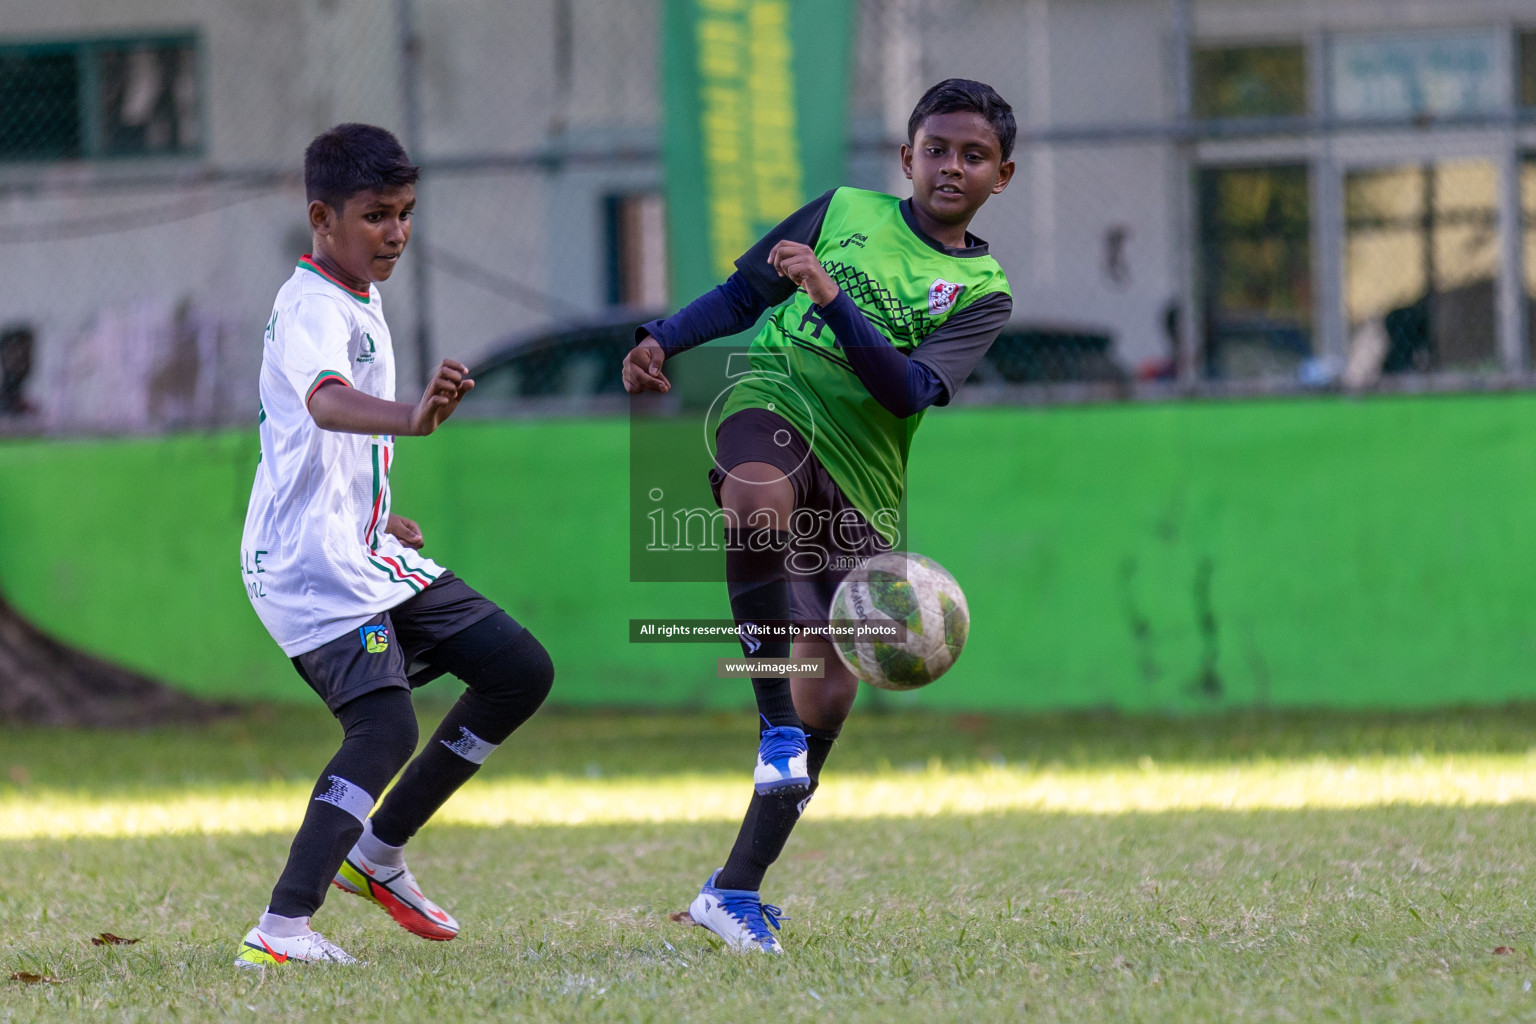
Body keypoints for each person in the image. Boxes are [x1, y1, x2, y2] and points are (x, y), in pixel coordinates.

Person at [621, 79, 1016, 953]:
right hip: (769, 402)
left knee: (836, 683)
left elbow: (907, 388)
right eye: (937, 148)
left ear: (1003, 175)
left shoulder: (983, 290)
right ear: (905, 156)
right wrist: (661, 338)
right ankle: (773, 725)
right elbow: (741, 295)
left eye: (973, 155)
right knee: (757, 496)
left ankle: (734, 889)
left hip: (865, 475)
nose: (952, 165)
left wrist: (834, 300)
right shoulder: (841, 210)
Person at [235, 123, 554, 968]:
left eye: (406, 214)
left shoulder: (360, 297)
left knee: (519, 670)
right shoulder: (308, 303)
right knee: (381, 726)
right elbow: (327, 404)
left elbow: (330, 450)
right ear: (321, 216)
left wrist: (380, 508)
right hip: (308, 569)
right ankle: (282, 931)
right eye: (378, 215)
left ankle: (376, 856)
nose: (397, 233)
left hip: (361, 546)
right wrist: (413, 418)